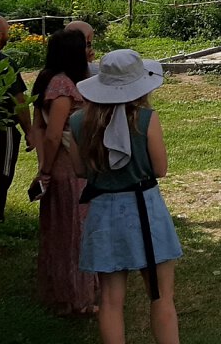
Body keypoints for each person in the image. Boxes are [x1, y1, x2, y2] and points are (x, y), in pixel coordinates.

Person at [68, 49, 182, 344]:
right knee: (160, 296)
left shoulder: (80, 121)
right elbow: (160, 168)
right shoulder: (145, 119)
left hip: (104, 210)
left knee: (109, 300)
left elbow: (79, 170)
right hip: (145, 208)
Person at [31, 28, 99, 315]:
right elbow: (53, 134)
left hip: (63, 165)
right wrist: (45, 170)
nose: (89, 50)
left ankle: (62, 293)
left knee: (61, 230)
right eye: (85, 46)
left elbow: (37, 128)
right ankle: (77, 298)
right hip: (68, 167)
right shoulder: (63, 87)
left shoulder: (51, 79)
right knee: (74, 232)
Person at [0, 15, 32, 220]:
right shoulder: (3, 62)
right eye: (7, 32)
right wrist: (29, 132)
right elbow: (19, 101)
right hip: (1, 132)